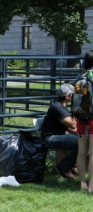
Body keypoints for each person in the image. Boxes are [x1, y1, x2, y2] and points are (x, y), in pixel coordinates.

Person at [40, 83, 78, 179]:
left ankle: (72, 166)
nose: (75, 96)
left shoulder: (62, 107)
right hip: (50, 139)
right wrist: (77, 112)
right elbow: (72, 125)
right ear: (67, 96)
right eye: (73, 94)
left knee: (84, 140)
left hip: (58, 137)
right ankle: (63, 168)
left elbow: (69, 129)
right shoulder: (57, 107)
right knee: (80, 142)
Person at [75, 50, 93, 191]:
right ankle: (91, 184)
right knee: (92, 153)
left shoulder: (81, 77)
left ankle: (82, 183)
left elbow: (76, 97)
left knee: (81, 152)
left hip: (81, 119)